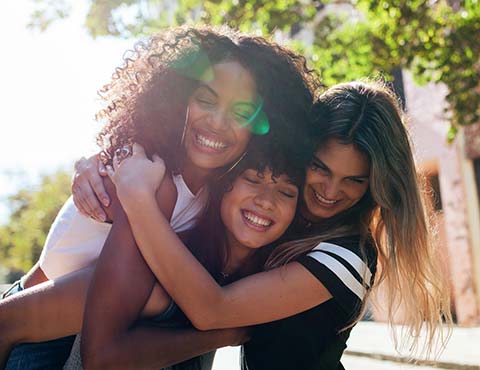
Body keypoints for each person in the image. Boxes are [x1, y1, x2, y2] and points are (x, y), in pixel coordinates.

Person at [0, 25, 318, 369]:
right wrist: (223, 332)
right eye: (205, 100)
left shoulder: (220, 193)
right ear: (178, 100)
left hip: (88, 321)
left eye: (242, 113)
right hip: (34, 335)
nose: (217, 122)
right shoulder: (147, 176)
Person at [84, 80, 451, 370]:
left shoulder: (347, 256)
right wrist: (97, 165)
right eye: (320, 168)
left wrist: (136, 198)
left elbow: (213, 310)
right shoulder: (284, 218)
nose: (330, 191)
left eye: (354, 180)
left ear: (375, 184)